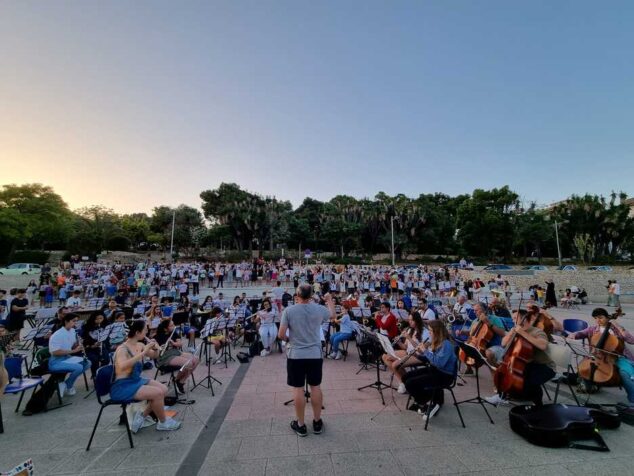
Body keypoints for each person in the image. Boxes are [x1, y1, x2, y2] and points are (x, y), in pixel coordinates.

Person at [278, 283, 335, 437]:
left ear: (297, 294)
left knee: (297, 388)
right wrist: (329, 299)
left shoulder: (289, 311)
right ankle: (317, 422)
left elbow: (281, 334)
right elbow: (333, 315)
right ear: (311, 296)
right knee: (315, 386)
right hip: (315, 354)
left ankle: (301, 425)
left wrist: (290, 340)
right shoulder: (319, 309)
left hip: (296, 354)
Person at [111, 320, 181, 432]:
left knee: (163, 389)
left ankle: (141, 416)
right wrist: (143, 353)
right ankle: (163, 423)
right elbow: (123, 366)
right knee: (157, 393)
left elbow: (154, 356)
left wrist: (156, 348)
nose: (147, 333)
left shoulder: (140, 344)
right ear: (137, 332)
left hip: (135, 380)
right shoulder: (122, 349)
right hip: (123, 385)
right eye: (145, 330)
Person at [486, 308, 556, 406]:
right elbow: (503, 343)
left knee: (529, 380)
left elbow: (543, 345)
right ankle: (502, 396)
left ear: (524, 318)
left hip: (544, 366)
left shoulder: (537, 332)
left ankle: (537, 405)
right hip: (527, 363)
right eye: (513, 318)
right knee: (509, 375)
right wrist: (511, 333)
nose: (513, 320)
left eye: (515, 318)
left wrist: (523, 333)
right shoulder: (515, 331)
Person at [569, 308, 634, 405]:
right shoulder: (593, 329)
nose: (598, 320)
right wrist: (574, 334)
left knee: (624, 374)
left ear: (607, 318)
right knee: (584, 368)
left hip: (618, 357)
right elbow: (582, 333)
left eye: (600, 317)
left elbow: (631, 340)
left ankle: (632, 401)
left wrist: (618, 325)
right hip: (599, 357)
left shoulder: (616, 329)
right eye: (595, 318)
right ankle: (590, 386)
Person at [403, 320, 457, 419]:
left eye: (431, 331)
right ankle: (430, 398)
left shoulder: (446, 345)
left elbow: (439, 363)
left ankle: (425, 402)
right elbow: (430, 359)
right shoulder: (436, 341)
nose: (429, 333)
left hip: (444, 375)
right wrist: (417, 354)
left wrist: (425, 351)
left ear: (437, 332)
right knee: (405, 377)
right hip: (435, 369)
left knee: (410, 383)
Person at [383, 310, 428, 393]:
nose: (409, 322)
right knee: (385, 356)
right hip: (408, 352)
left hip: (418, 355)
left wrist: (409, 338)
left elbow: (422, 350)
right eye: (409, 320)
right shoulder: (410, 330)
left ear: (417, 320)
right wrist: (399, 341)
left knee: (395, 364)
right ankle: (403, 382)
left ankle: (404, 382)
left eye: (411, 320)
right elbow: (405, 347)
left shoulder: (425, 332)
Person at [48, 313, 91, 397]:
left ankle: (66, 383)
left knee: (87, 363)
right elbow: (55, 352)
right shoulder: (57, 334)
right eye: (73, 321)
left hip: (67, 358)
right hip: (56, 361)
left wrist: (78, 344)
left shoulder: (72, 331)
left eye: (76, 321)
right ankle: (69, 386)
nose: (75, 323)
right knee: (78, 367)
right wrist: (74, 351)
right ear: (66, 321)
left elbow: (71, 345)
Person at [154, 319, 200, 393]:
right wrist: (159, 346)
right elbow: (156, 349)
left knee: (196, 359)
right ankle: (176, 381)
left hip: (175, 352)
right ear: (165, 328)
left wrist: (173, 343)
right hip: (165, 356)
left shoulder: (173, 333)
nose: (174, 326)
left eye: (173, 324)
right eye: (171, 325)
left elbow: (180, 344)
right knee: (188, 363)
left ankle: (180, 381)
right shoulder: (158, 336)